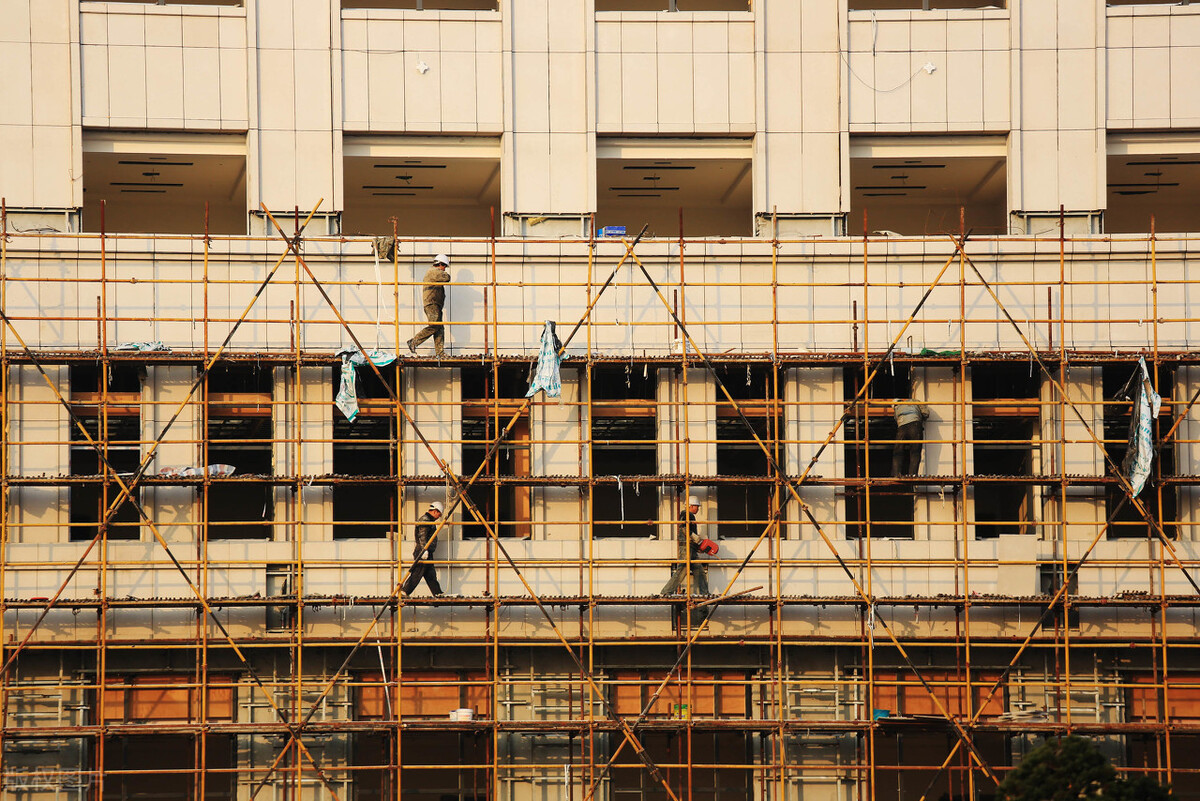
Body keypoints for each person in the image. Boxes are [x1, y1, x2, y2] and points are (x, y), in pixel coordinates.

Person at [660, 496, 717, 597]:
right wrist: (696, 539)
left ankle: (704, 593)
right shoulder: (686, 514)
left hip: (691, 547)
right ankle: (666, 592)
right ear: (690, 506)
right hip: (686, 547)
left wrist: (697, 545)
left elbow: (688, 532)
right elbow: (683, 528)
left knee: (699, 570)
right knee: (683, 569)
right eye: (696, 506)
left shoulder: (690, 515)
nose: (698, 509)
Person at [406, 254, 451, 357]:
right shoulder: (434, 272)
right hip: (432, 303)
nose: (444, 269)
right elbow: (447, 278)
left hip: (436, 304)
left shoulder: (434, 272)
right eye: (444, 266)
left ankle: (440, 353)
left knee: (439, 328)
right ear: (440, 264)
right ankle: (413, 342)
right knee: (435, 326)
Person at [402, 501, 445, 597]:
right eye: (439, 514)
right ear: (435, 511)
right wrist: (424, 550)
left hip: (426, 551)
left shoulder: (429, 520)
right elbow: (422, 536)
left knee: (431, 575)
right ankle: (405, 591)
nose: (439, 517)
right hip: (422, 551)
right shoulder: (425, 520)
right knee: (417, 572)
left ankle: (437, 593)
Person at [892, 398, 930, 476]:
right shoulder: (915, 401)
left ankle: (896, 474)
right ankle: (913, 474)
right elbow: (926, 413)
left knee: (898, 452)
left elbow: (896, 419)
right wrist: (921, 418)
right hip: (914, 426)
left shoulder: (897, 408)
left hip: (901, 428)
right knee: (915, 451)